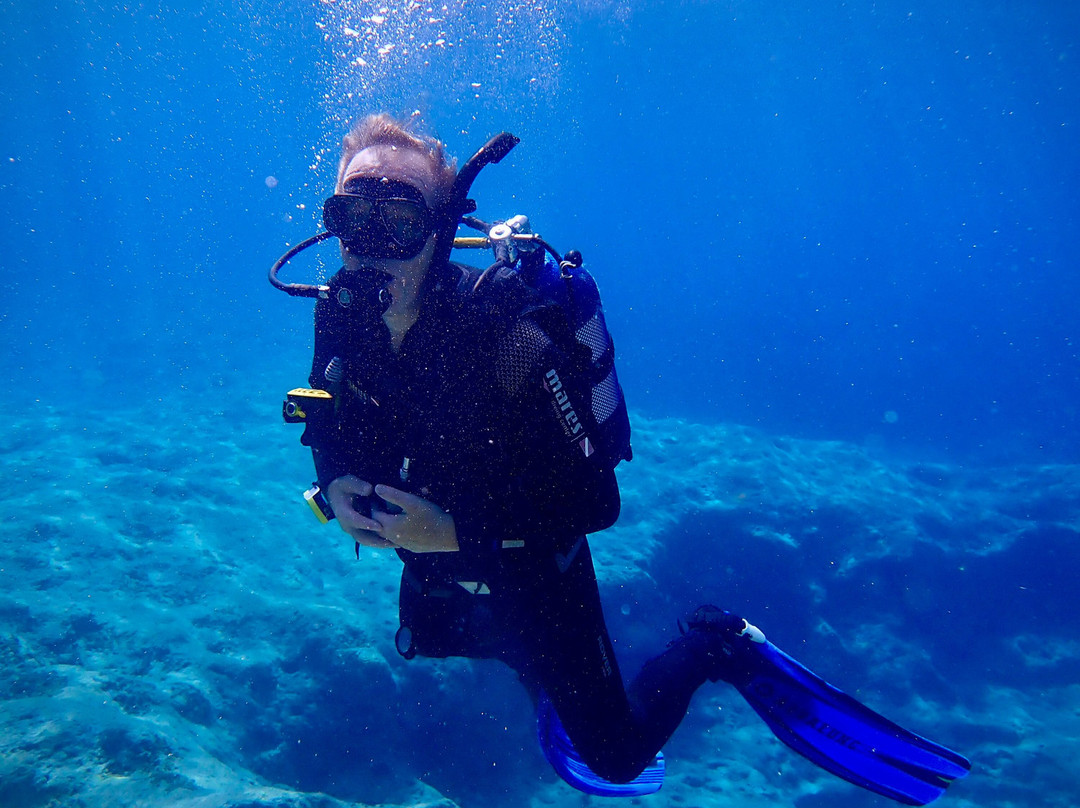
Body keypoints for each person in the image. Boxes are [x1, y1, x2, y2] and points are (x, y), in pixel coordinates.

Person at [291, 113, 970, 803]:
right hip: (432, 550)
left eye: (400, 222)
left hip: (531, 557)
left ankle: (717, 644)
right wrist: (333, 486)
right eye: (353, 218)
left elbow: (595, 501)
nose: (371, 248)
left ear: (438, 231)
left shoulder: (510, 335)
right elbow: (326, 416)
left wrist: (454, 532)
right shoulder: (337, 315)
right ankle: (534, 665)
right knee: (433, 636)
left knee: (615, 755)